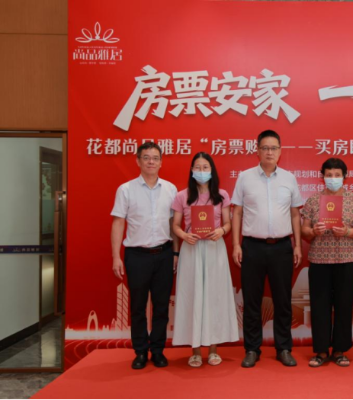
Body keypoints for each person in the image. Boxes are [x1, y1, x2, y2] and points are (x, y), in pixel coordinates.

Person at [231, 129, 303, 368]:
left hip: (282, 247)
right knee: (252, 301)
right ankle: (252, 349)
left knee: (283, 300)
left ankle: (284, 348)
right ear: (258, 151)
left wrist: (297, 245)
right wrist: (236, 244)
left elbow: (295, 214)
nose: (269, 152)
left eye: (273, 148)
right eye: (265, 148)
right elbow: (237, 212)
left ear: (280, 151)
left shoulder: (289, 179)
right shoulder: (245, 177)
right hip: (252, 246)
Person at [110, 142, 178, 369]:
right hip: (136, 256)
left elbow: (174, 224)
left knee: (161, 306)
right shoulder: (126, 189)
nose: (151, 162)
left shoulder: (170, 189)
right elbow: (118, 223)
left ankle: (157, 350)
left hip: (164, 253)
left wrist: (176, 252)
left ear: (161, 162)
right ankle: (140, 351)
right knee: (138, 307)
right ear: (138, 161)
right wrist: (116, 256)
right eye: (146, 157)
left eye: (155, 158)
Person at [171, 152, 239, 368]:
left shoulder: (221, 195)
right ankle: (195, 351)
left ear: (212, 170)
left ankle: (213, 350)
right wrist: (184, 235)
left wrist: (222, 230)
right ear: (192, 171)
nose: (201, 171)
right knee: (192, 296)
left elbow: (228, 223)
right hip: (191, 249)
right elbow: (175, 225)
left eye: (205, 167)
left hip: (214, 249)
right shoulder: (182, 196)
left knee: (214, 297)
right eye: (197, 167)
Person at [301, 158, 353, 367]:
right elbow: (304, 230)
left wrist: (347, 231)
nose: (333, 178)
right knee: (319, 305)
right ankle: (321, 350)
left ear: (344, 177)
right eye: (329, 175)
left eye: (337, 175)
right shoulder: (313, 200)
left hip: (347, 259)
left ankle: (340, 350)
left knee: (344, 304)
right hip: (320, 259)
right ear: (322, 177)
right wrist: (313, 231)